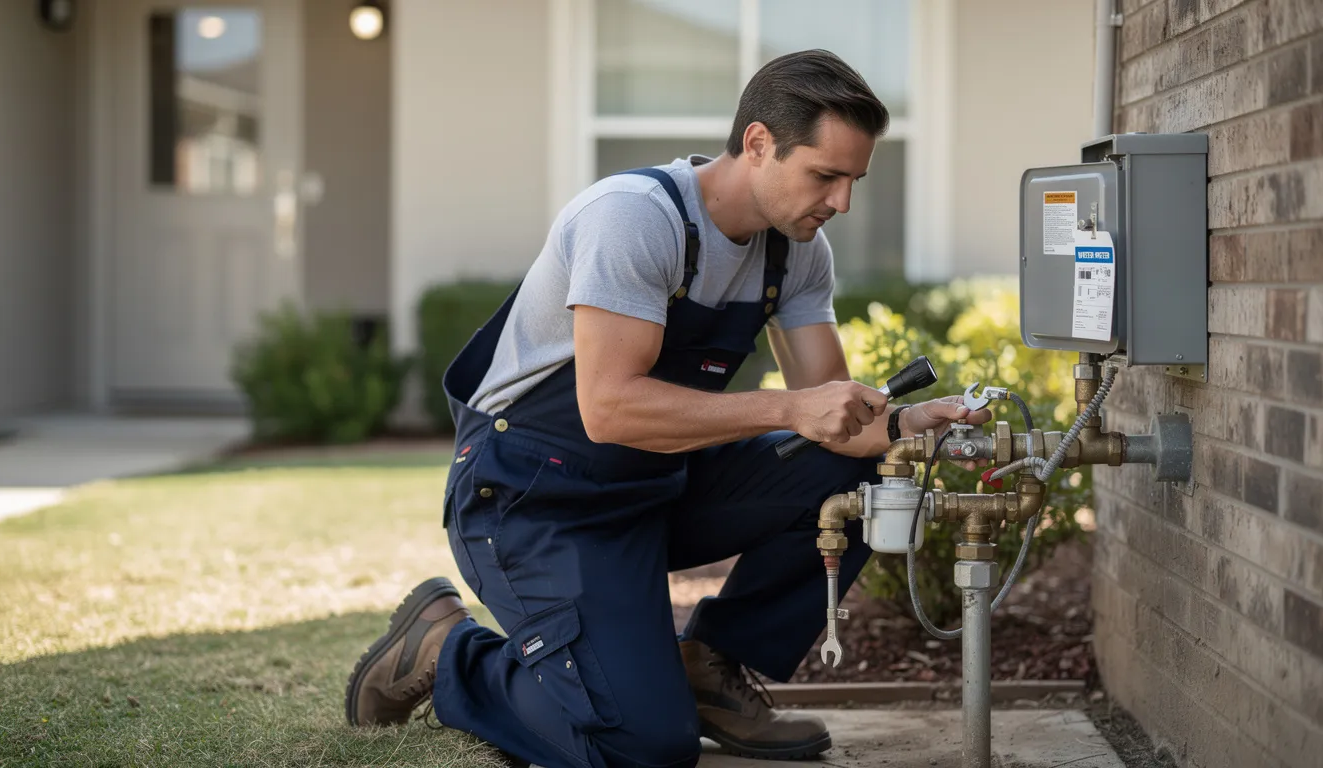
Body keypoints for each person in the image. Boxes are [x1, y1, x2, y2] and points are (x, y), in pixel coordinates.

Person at [344, 49, 991, 768]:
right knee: (641, 746)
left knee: (868, 478)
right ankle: (446, 651)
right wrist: (789, 410)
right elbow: (611, 410)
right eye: (826, 176)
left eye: (854, 181)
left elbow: (833, 422)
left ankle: (708, 668)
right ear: (756, 143)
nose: (842, 202)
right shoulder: (634, 219)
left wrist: (904, 426)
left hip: (654, 485)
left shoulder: (798, 252)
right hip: (534, 497)